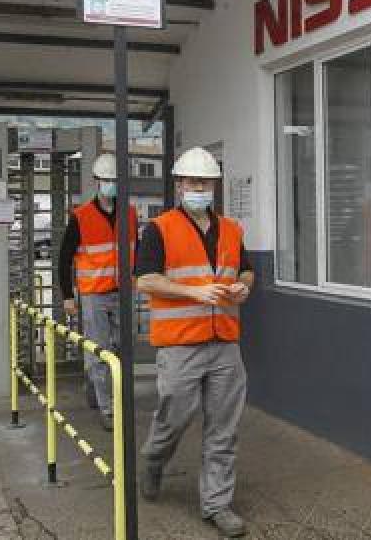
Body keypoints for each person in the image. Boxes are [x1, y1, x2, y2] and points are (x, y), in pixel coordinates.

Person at [135, 147, 254, 538]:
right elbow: (146, 280)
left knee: (224, 427)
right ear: (180, 184)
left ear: (214, 186)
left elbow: (248, 272)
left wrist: (242, 288)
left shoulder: (233, 229)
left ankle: (217, 504)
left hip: (225, 343)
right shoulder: (159, 229)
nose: (200, 187)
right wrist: (194, 293)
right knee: (174, 418)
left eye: (206, 182)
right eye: (193, 181)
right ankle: (154, 460)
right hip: (180, 344)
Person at [56, 153, 137, 431]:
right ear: (97, 181)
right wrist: (68, 296)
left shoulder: (130, 213)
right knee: (100, 349)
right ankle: (107, 408)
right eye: (107, 180)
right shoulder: (81, 217)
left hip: (123, 293)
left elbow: (133, 252)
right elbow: (64, 259)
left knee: (121, 348)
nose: (111, 185)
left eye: (115, 180)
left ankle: (95, 385)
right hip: (93, 295)